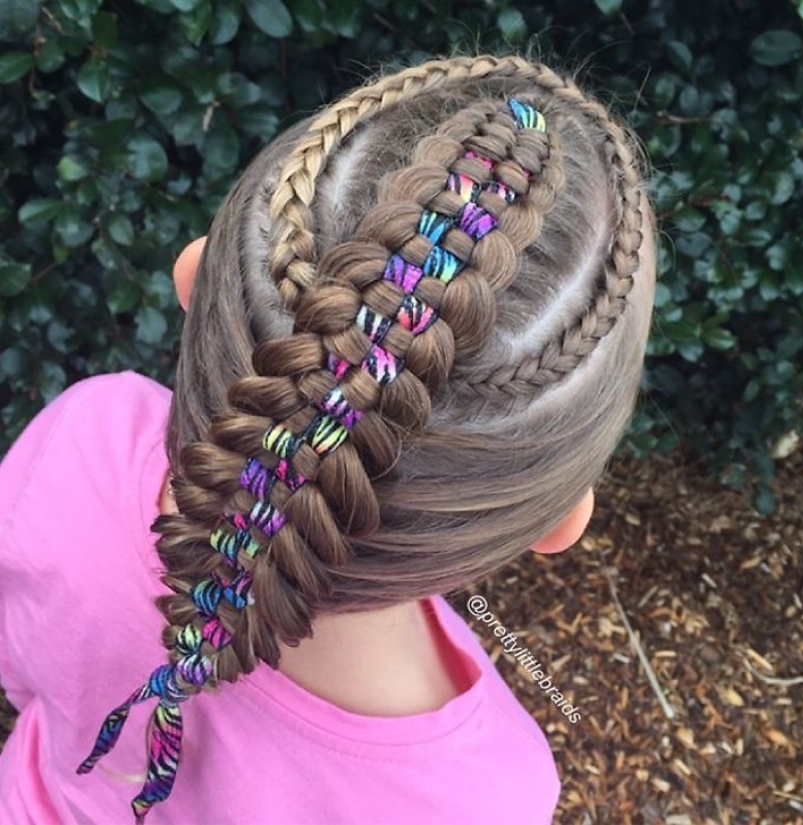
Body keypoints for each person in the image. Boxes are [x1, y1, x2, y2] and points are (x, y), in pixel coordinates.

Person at [0, 54, 656, 823]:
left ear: (192, 276)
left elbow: (24, 671)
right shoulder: (485, 795)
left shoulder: (84, 440)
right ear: (558, 521)